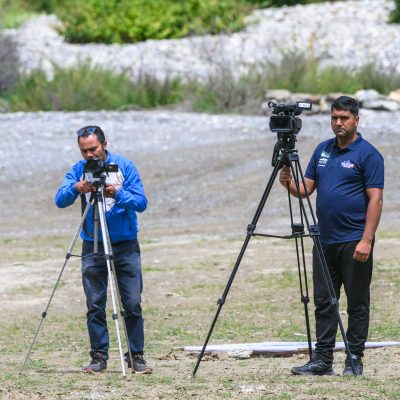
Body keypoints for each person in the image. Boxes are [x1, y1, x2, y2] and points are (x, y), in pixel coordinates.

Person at [279, 96, 384, 376]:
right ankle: (322, 359)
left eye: (344, 118)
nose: (338, 123)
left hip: (354, 240)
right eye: (334, 117)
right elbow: (306, 189)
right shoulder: (323, 150)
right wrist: (288, 182)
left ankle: (354, 358)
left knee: (357, 302)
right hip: (324, 240)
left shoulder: (368, 154)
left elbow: (376, 200)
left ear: (356, 120)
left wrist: (366, 240)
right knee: (324, 301)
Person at [55, 125, 152, 374]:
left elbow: (141, 202)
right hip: (93, 243)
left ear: (104, 144)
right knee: (95, 303)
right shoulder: (79, 169)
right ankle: (98, 356)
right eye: (84, 151)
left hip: (125, 244)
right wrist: (77, 188)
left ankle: (136, 355)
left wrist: (117, 194)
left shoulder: (124, 166)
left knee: (132, 302)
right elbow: (59, 200)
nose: (89, 155)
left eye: (93, 149)